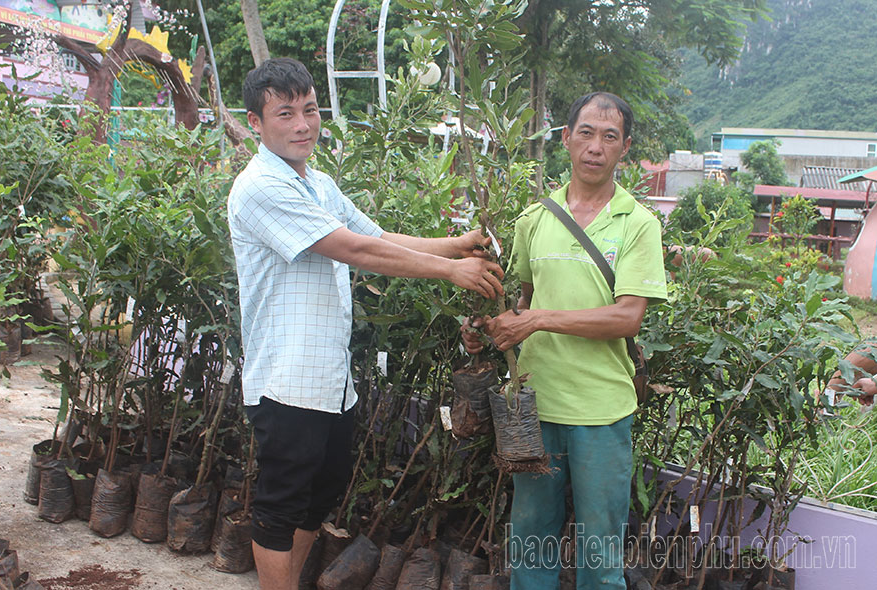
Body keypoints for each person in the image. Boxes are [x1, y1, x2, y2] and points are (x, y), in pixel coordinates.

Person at [227, 57, 504, 590]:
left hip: (330, 380)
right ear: (256, 124)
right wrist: (451, 271)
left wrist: (455, 244)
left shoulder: (320, 184)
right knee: (282, 502)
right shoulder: (261, 186)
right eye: (285, 114)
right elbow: (353, 249)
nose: (303, 124)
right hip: (286, 380)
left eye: (309, 110)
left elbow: (376, 235)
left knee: (322, 492)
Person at [462, 92, 668, 589]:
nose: (595, 147)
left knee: (601, 550)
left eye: (609, 136)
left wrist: (536, 321)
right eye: (586, 133)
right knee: (531, 537)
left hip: (601, 411)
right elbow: (521, 303)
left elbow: (626, 318)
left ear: (625, 148)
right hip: (535, 407)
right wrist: (487, 330)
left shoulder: (638, 224)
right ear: (566, 140)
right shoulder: (535, 220)